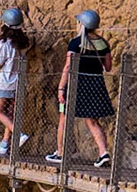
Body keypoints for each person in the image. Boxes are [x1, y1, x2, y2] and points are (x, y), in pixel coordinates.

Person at [48, 9, 114, 167]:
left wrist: (61, 88)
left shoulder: (75, 43)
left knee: (64, 117)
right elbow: (108, 67)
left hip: (76, 84)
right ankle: (103, 152)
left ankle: (61, 153)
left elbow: (68, 66)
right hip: (95, 84)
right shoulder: (103, 43)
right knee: (92, 121)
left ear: (82, 25)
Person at [0, 8, 30, 155]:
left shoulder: (5, 43)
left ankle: (19, 135)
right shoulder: (24, 43)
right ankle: (5, 144)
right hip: (18, 82)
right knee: (9, 114)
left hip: (5, 81)